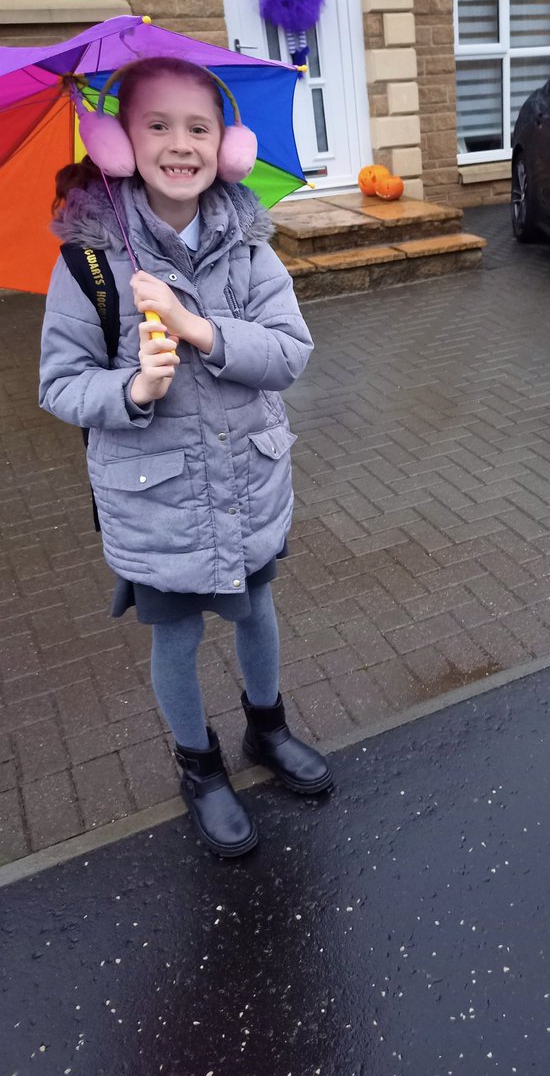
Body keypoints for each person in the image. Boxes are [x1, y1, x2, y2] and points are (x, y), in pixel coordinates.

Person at [38, 56, 332, 858]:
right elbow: (60, 385)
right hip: (156, 500)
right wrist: (133, 388)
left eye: (199, 127)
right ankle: (199, 767)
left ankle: (267, 729)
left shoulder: (249, 247)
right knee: (175, 637)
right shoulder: (90, 262)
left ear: (228, 145)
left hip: (247, 484)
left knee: (256, 611)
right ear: (118, 143)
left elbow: (289, 353)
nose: (180, 144)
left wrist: (195, 327)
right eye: (157, 126)